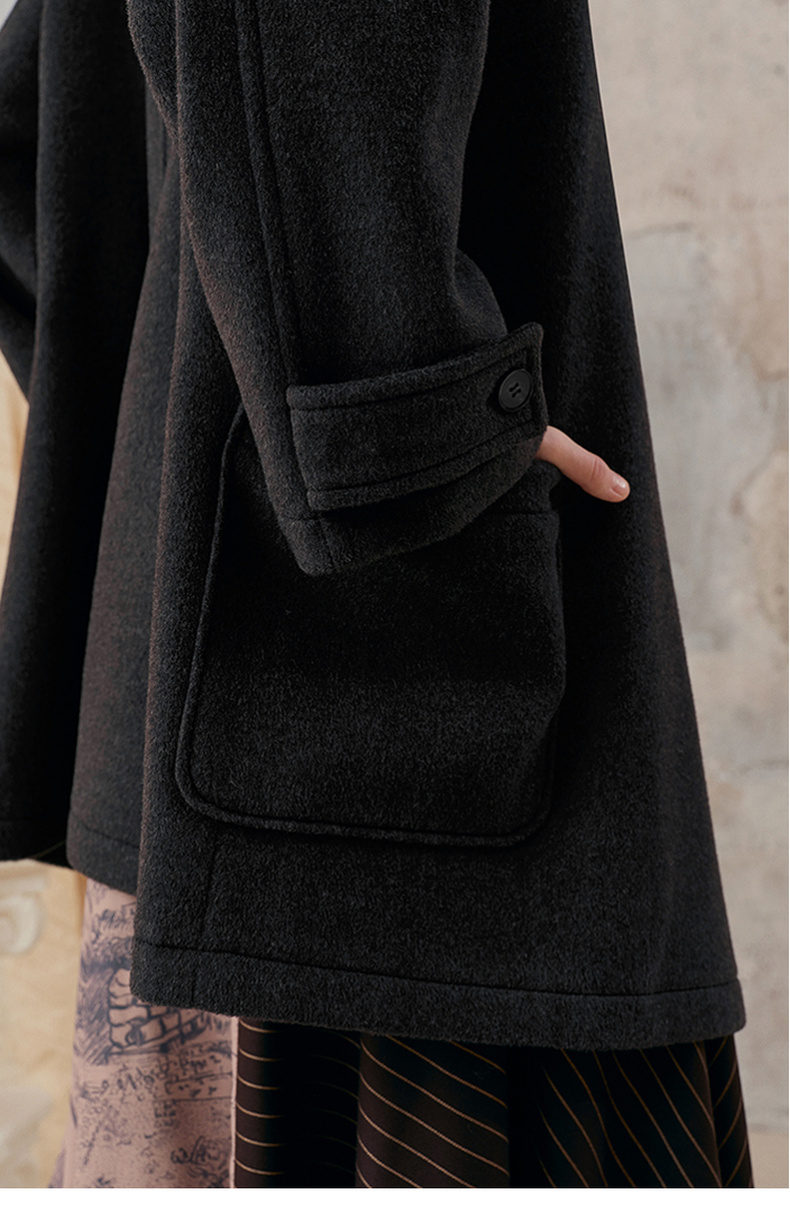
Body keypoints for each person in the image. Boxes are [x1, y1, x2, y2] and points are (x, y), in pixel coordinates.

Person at [0, 0, 751, 1188]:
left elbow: (29, 141)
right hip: (372, 794)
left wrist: (166, 437)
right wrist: (413, 434)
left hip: (225, 753)